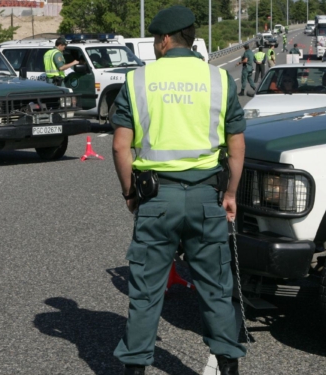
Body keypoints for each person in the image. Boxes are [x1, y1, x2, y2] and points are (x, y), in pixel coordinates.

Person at [111, 5, 247, 375]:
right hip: (206, 199)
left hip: (156, 200)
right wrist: (230, 194)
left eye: (156, 39)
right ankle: (229, 366)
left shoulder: (138, 81)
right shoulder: (219, 80)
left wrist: (130, 194)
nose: (156, 45)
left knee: (145, 292)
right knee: (215, 290)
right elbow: (236, 146)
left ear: (166, 39)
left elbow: (121, 146)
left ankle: (136, 367)